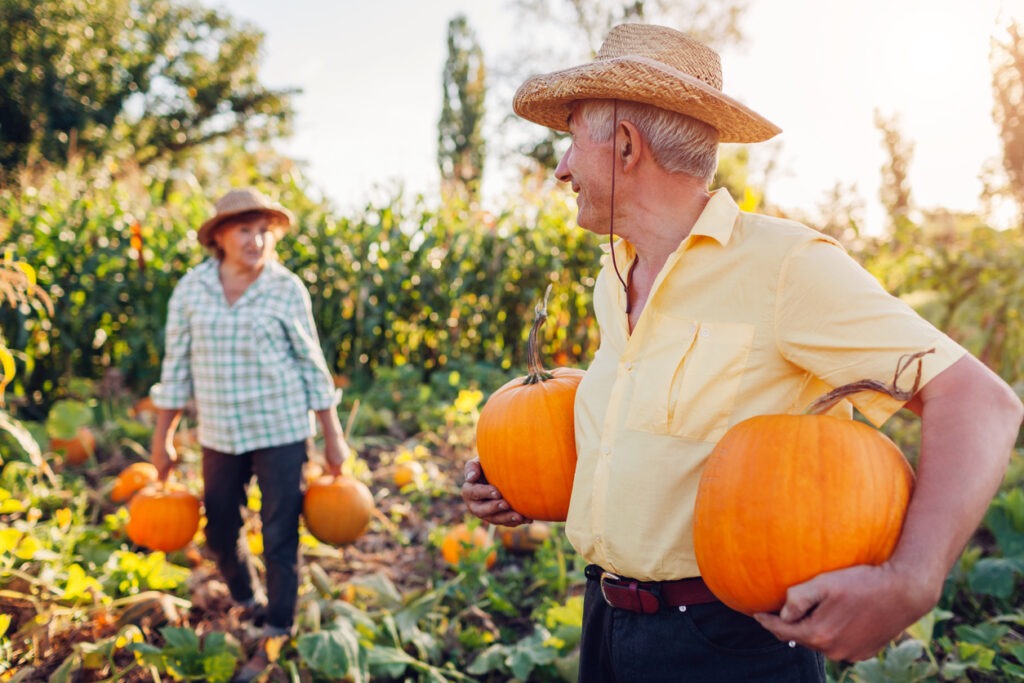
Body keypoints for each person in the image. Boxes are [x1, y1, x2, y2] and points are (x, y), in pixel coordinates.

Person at [462, 23, 1023, 682]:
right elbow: (656, 416)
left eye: (569, 140)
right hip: (606, 619)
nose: (559, 168)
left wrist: (911, 579)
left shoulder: (786, 266)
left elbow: (980, 400)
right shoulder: (613, 277)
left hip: (726, 643)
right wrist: (531, 467)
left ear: (623, 144)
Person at [148, 187, 350, 680]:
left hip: (280, 427)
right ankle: (247, 596)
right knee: (219, 529)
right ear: (219, 236)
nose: (256, 239)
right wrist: (163, 437)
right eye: (244, 229)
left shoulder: (285, 289)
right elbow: (176, 369)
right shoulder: (191, 291)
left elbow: (311, 365)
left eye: (264, 230)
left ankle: (278, 625)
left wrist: (332, 436)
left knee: (280, 534)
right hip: (219, 431)